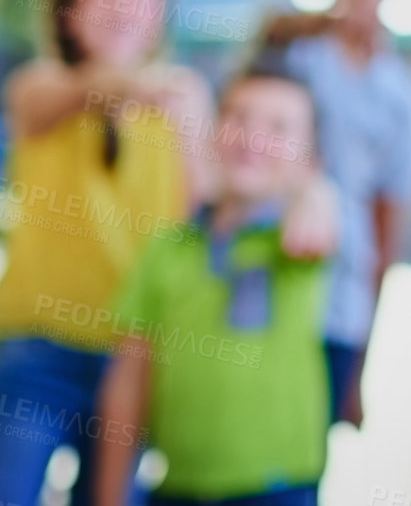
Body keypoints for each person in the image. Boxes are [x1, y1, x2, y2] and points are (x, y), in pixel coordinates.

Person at [0, 0, 335, 506]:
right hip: (39, 351)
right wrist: (132, 84)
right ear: (68, 7)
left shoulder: (182, 101)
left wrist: (313, 192)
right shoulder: (41, 84)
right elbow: (66, 95)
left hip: (133, 355)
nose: (124, 7)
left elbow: (223, 194)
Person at [92, 72, 331, 506]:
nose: (253, 137)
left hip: (278, 489)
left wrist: (314, 193)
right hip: (177, 487)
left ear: (311, 162)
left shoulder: (293, 245)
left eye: (279, 128)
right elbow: (127, 386)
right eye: (238, 116)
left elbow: (318, 224)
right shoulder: (167, 250)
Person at [254, 0, 411, 431]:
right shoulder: (292, 53)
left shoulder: (404, 98)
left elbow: (386, 229)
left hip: (339, 305)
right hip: (266, 276)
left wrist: (362, 367)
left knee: (307, 449)